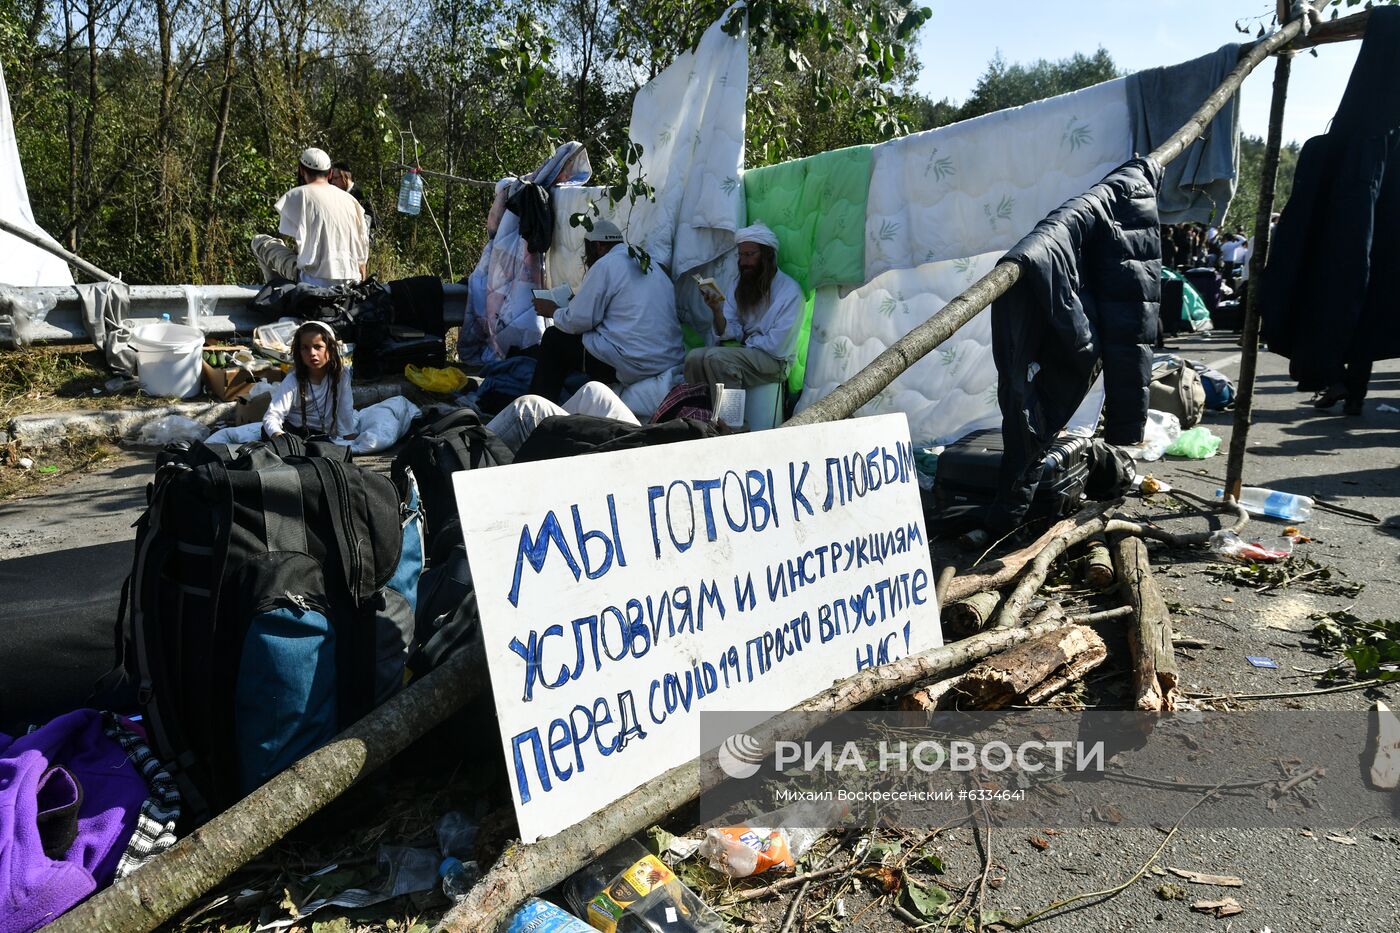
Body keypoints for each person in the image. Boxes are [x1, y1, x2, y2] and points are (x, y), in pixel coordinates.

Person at [528, 219, 683, 402]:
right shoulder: (648, 262)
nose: (587, 259)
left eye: (588, 251)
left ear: (598, 246)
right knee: (590, 338)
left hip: (635, 362)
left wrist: (553, 310)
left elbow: (578, 321)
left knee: (554, 338)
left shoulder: (605, 264)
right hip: (668, 358)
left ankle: (537, 408)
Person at [684, 222, 803, 389]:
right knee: (694, 358)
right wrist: (717, 311)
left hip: (775, 362)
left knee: (716, 358)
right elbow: (732, 330)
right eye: (740, 255)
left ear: (767, 256)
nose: (743, 262)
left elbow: (777, 347)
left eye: (749, 255)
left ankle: (730, 415)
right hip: (746, 351)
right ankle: (699, 412)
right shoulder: (739, 285)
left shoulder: (790, 292)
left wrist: (747, 340)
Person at [251, 147, 369, 287]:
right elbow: (362, 256)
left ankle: (275, 292)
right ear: (330, 173)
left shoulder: (297, 195)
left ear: (302, 170)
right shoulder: (351, 201)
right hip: (351, 282)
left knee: (260, 241)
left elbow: (298, 246)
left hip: (311, 280)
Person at [263, 320, 357, 440]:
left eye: (318, 347)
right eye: (305, 348)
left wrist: (349, 439)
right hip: (294, 433)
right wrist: (280, 438)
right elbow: (272, 415)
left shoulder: (341, 375)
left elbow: (345, 409)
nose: (312, 353)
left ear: (331, 348)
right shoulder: (293, 380)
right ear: (299, 352)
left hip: (322, 436)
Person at [487, 381, 639, 453]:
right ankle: (546, 447)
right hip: (650, 439)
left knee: (527, 410)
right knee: (593, 392)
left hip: (642, 465)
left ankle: (465, 482)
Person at [329, 160, 375, 236]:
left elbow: (373, 221)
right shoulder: (335, 194)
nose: (333, 182)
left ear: (345, 177)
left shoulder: (361, 194)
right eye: (332, 179)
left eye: (335, 178)